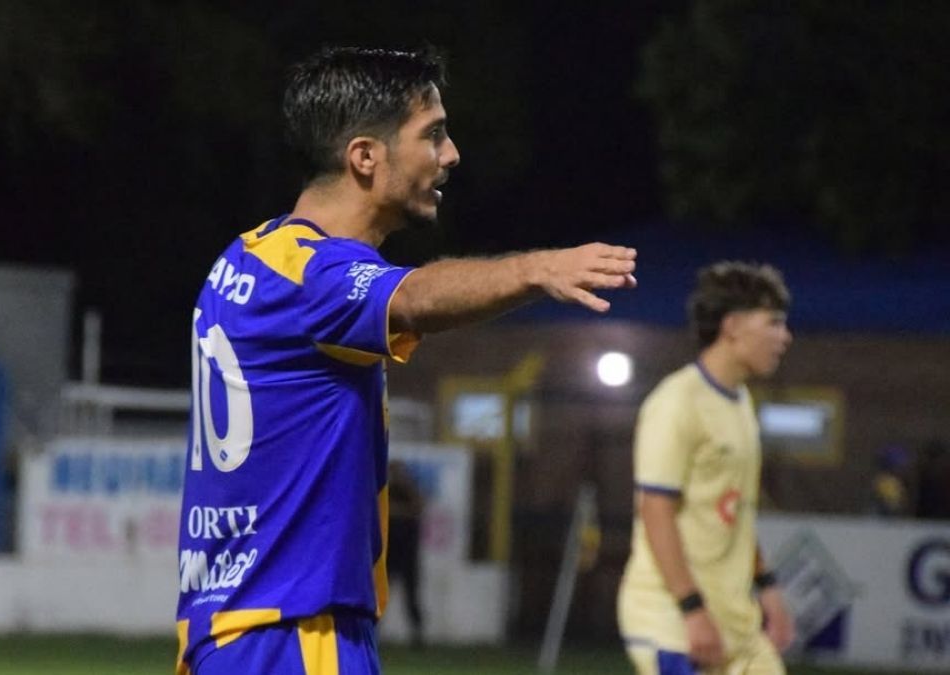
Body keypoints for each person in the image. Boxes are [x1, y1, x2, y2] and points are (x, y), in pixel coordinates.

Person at [175, 46, 637, 675]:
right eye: (434, 135)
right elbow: (413, 297)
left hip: (238, 629)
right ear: (365, 156)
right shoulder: (311, 275)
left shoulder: (247, 259)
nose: (451, 155)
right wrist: (539, 268)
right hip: (292, 633)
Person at [618, 262, 796, 675]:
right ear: (732, 326)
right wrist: (691, 610)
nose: (784, 337)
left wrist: (767, 587)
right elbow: (655, 510)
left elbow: (733, 513)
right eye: (774, 323)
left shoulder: (740, 403)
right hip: (673, 621)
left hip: (734, 623)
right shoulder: (677, 403)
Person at [385, 459, 425, 648]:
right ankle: (374, 635)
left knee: (412, 597)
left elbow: (418, 508)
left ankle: (417, 636)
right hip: (390, 555)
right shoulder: (387, 491)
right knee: (381, 596)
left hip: (408, 555)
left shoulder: (410, 492)